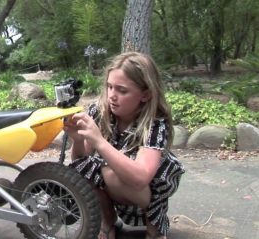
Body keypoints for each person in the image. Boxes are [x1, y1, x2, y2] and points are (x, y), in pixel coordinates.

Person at [64, 52, 185, 239]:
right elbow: (80, 162)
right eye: (110, 87)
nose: (112, 96)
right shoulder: (100, 111)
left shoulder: (154, 123)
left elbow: (140, 178)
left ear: (145, 95)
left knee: (110, 172)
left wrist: (99, 142)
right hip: (116, 180)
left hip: (147, 189)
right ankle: (107, 220)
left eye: (122, 90)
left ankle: (154, 226)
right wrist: (78, 140)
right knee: (85, 170)